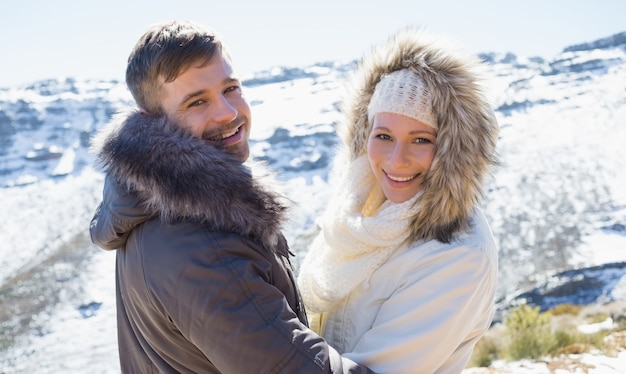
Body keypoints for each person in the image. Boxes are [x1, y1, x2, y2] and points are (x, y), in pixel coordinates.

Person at [89, 20, 374, 373]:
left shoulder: (152, 200)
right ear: (153, 123)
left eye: (231, 88)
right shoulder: (201, 244)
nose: (227, 112)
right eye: (196, 102)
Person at [297, 26, 500, 374]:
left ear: (453, 151)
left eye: (420, 140)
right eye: (384, 136)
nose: (395, 160)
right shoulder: (360, 215)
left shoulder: (457, 254)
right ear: (365, 137)